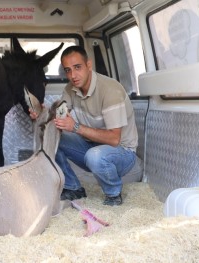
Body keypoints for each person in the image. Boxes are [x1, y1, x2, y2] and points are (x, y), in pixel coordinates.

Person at [32, 45, 138, 206]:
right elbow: (59, 116)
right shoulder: (71, 89)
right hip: (92, 146)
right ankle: (73, 188)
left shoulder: (110, 90)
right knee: (52, 137)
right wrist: (41, 115)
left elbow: (114, 139)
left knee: (94, 156)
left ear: (89, 65)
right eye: (67, 70)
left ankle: (113, 194)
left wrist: (75, 127)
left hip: (122, 152)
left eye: (77, 67)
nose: (73, 75)